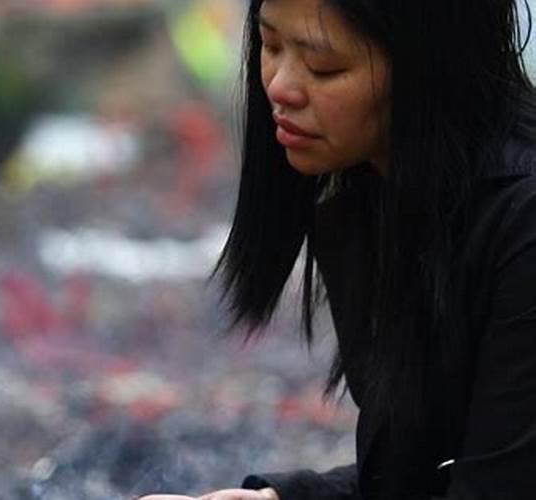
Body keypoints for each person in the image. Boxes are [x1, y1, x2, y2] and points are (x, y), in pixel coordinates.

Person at [137, 0, 536, 498]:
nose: (279, 86)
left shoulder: (522, 223)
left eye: (324, 66)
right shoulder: (373, 192)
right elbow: (416, 474)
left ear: (428, 69)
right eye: (271, 44)